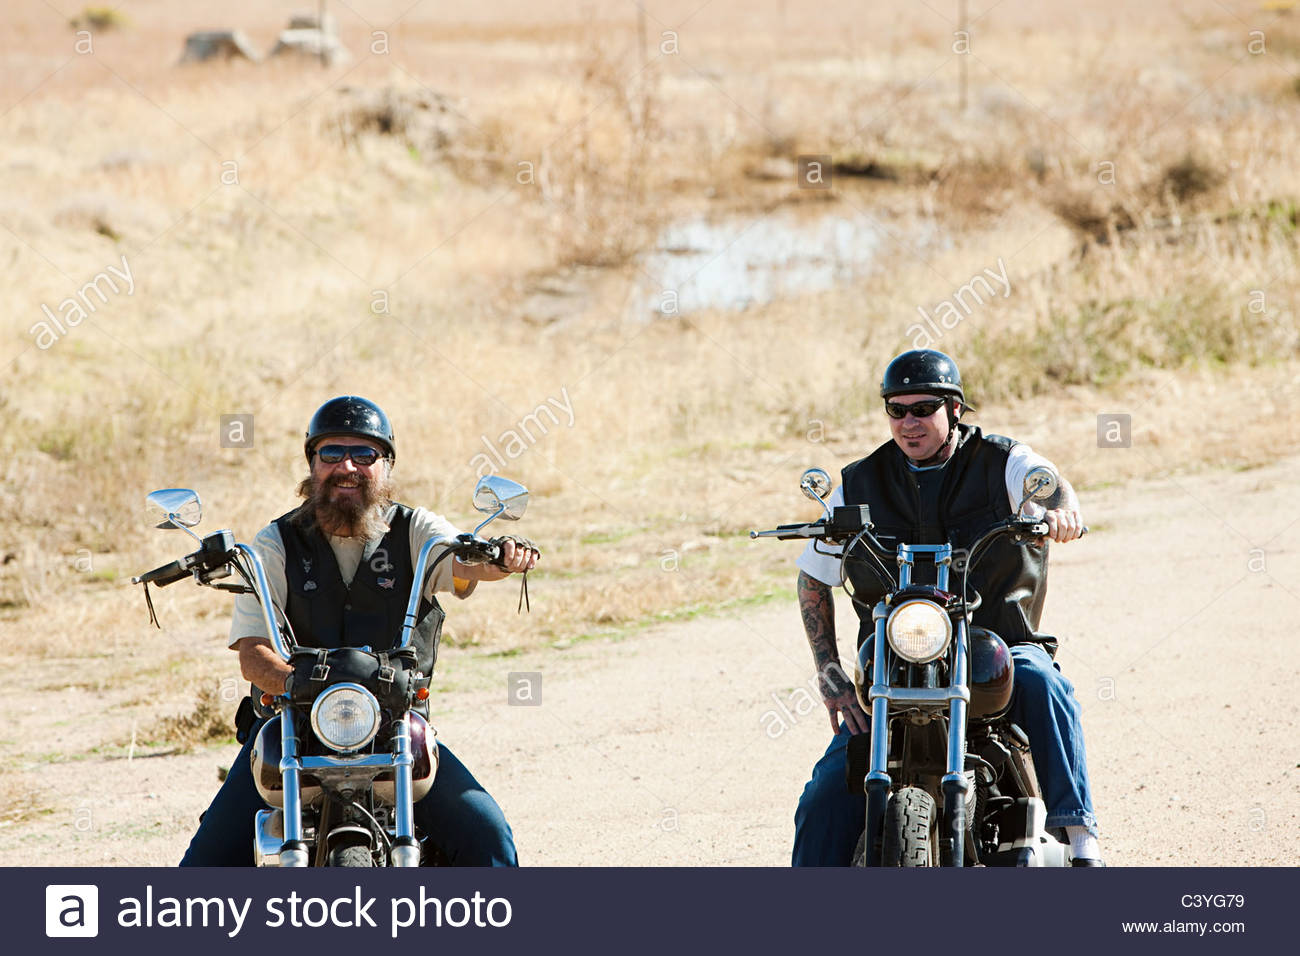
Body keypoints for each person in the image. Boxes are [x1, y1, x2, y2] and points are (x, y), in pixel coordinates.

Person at [179, 395, 539, 866]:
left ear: (386, 466)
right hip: (292, 725)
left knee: (488, 837)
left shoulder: (415, 530)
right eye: (331, 454)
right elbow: (253, 653)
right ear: (312, 463)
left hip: (392, 726)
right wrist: (291, 681)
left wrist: (500, 557)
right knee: (205, 864)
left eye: (364, 454)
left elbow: (461, 561)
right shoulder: (275, 543)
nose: (346, 466)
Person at [791, 349, 1102, 866]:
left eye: (924, 408)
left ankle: (1081, 838)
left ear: (954, 408)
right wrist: (829, 674)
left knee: (1044, 683)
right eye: (897, 409)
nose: (909, 422)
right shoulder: (860, 480)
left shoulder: (1001, 461)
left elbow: (1048, 481)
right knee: (825, 792)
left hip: (998, 643)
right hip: (896, 662)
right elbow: (812, 579)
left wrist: (1062, 510)